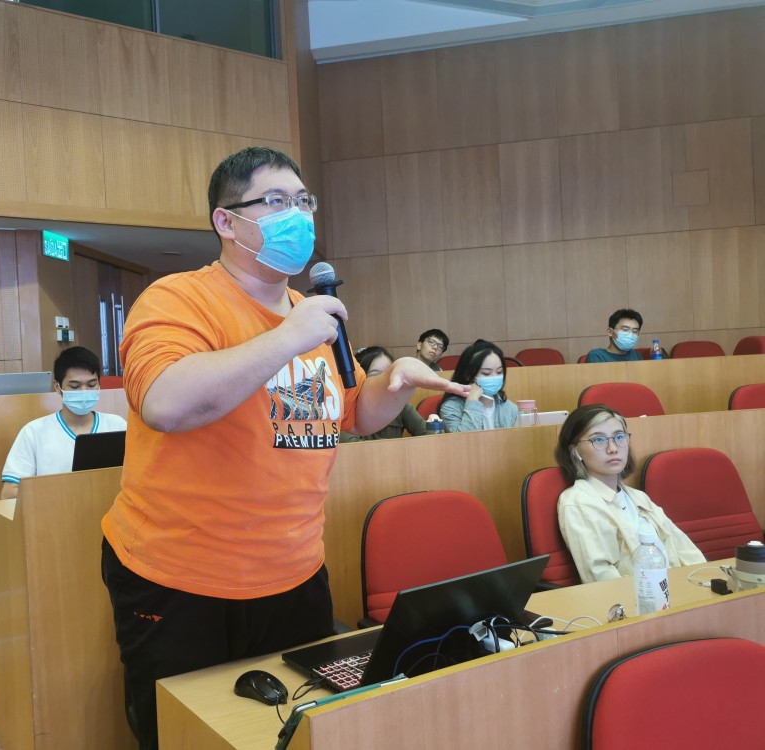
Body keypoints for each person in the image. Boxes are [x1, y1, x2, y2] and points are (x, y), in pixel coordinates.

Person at [100, 146, 468, 750]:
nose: (296, 215)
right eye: (275, 201)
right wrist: (287, 337)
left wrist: (394, 384)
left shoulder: (310, 313)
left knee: (292, 731)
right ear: (226, 221)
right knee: (187, 736)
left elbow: (351, 412)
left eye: (303, 201)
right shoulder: (178, 298)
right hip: (181, 575)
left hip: (294, 568)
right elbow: (164, 402)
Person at [554, 404, 704, 583]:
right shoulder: (578, 502)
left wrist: (705, 582)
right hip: (639, 596)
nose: (612, 448)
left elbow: (686, 550)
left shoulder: (638, 497)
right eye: (599, 440)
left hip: (678, 588)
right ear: (575, 451)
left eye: (619, 437)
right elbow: (600, 578)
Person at [0, 346, 126, 499]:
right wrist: (61, 494)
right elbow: (9, 493)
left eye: (92, 385)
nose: (84, 391)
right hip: (54, 511)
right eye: (75, 386)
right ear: (57, 387)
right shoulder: (33, 432)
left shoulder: (118, 425)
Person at [340, 347, 426, 441]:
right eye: (375, 374)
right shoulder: (346, 410)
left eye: (389, 373)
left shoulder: (399, 405)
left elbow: (427, 434)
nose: (385, 381)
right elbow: (354, 446)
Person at [438, 340, 518, 432]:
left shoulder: (510, 408)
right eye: (486, 373)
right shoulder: (451, 407)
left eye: (499, 372)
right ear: (468, 375)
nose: (494, 377)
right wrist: (472, 401)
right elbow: (465, 439)